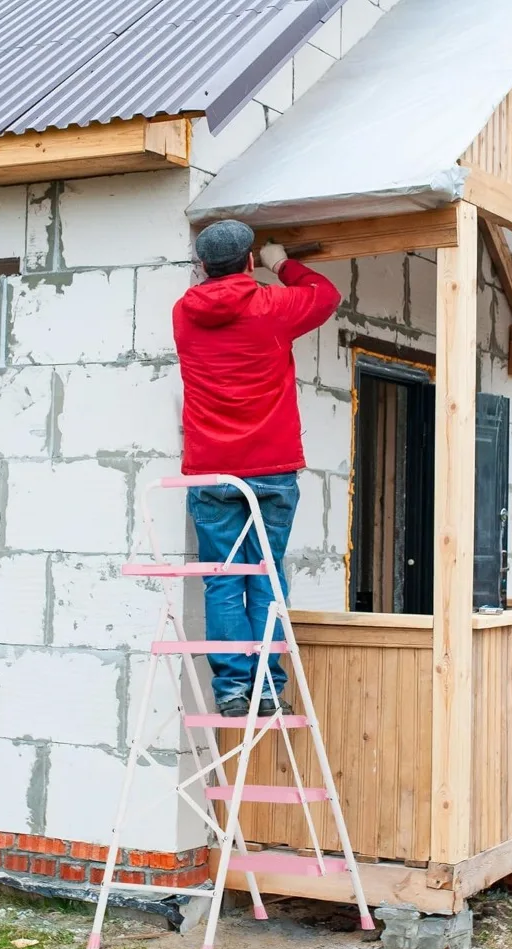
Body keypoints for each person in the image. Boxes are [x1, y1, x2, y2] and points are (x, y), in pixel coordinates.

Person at [172, 219, 342, 717]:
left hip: (212, 472)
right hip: (271, 468)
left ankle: (230, 691)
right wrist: (282, 263)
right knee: (265, 574)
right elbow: (326, 295)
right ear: (249, 261)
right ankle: (267, 689)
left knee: (223, 579)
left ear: (203, 265)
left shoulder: (183, 312)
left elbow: (219, 301)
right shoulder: (272, 306)